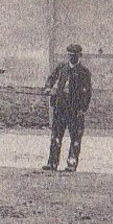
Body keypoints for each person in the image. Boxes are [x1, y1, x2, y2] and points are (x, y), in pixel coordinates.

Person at [43, 43, 93, 172]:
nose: (71, 58)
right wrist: (48, 87)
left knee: (75, 138)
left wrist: (82, 109)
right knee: (56, 136)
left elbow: (87, 93)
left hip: (75, 110)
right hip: (60, 108)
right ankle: (52, 163)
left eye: (74, 56)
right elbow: (51, 78)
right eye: (69, 55)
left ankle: (72, 163)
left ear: (79, 56)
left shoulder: (84, 72)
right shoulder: (61, 68)